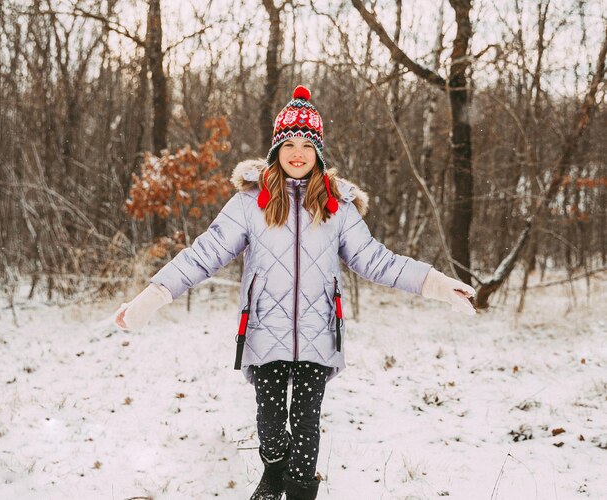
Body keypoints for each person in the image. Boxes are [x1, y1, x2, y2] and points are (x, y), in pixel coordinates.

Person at [115, 85, 476, 500]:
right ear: (276, 150)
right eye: (289, 143)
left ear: (319, 151)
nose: (298, 152)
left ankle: (300, 491)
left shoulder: (336, 206)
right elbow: (204, 254)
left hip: (319, 333)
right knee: (270, 425)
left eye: (308, 143)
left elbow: (377, 260)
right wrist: (152, 296)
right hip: (264, 332)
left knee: (306, 425)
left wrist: (435, 283)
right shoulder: (250, 203)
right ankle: (272, 472)